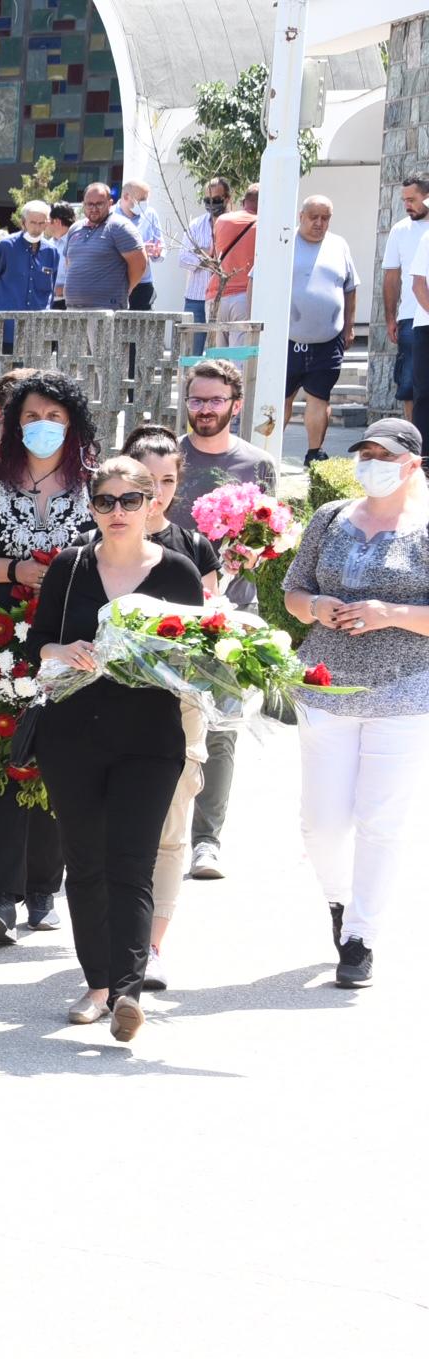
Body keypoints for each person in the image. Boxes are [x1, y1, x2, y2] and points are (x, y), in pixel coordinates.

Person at [31, 456, 207, 1041]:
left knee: (131, 862)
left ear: (152, 503)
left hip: (150, 739)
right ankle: (98, 984)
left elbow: (197, 657)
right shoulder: (70, 566)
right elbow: (39, 647)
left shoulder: (179, 571)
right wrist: (66, 649)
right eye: (103, 502)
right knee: (84, 861)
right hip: (72, 735)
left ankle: (129, 991)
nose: (116, 512)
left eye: (128, 501)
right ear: (92, 507)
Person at [0, 372, 102, 941]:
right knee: (2, 762)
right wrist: (16, 571)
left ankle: (44, 889)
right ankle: (3, 896)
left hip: (72, 644)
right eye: (31, 416)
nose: (43, 427)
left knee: (59, 761)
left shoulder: (93, 484)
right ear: (14, 423)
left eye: (55, 417)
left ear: (74, 425)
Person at [281, 418, 429, 990]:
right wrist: (318, 607)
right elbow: (293, 592)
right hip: (325, 685)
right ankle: (339, 902)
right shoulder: (330, 518)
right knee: (319, 824)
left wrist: (389, 613)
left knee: (380, 821)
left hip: (405, 689)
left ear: (412, 464)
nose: (372, 463)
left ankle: (362, 936)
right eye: (365, 452)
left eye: (385, 455)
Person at [172, 357, 278, 880]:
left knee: (221, 729)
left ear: (235, 405)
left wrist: (248, 555)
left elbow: (270, 535)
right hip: (166, 613)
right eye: (197, 399)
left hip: (232, 613)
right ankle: (159, 829)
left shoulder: (258, 464)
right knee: (161, 725)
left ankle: (207, 841)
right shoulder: (169, 459)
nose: (205, 409)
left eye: (215, 400)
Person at [122, 425, 219, 992]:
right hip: (107, 706)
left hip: (179, 701)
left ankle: (152, 946)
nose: (153, 493)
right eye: (142, 480)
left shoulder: (192, 550)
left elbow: (212, 631)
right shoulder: (93, 544)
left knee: (172, 824)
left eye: (165, 481)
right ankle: (117, 933)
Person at [283, 196, 357, 466]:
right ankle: (267, 451)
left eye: (325, 218)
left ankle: (314, 453)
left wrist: (349, 327)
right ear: (301, 215)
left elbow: (350, 288)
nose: (319, 223)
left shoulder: (339, 245)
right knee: (282, 398)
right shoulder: (284, 242)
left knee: (319, 396)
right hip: (287, 338)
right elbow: (258, 282)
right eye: (313, 216)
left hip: (328, 339)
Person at [384, 176, 429, 423]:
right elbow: (392, 276)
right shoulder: (400, 230)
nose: (407, 205)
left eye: (412, 200)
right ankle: (415, 443)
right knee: (412, 386)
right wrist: (391, 317)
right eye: (404, 201)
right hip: (412, 319)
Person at [60, 183, 146, 312]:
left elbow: (140, 264)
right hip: (73, 308)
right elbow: (69, 263)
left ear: (110, 203)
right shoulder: (74, 228)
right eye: (90, 204)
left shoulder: (120, 227)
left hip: (106, 310)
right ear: (84, 204)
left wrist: (125, 290)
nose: (94, 208)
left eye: (99, 203)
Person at [0, 200, 59, 319]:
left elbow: (51, 289)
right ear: (23, 223)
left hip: (38, 324)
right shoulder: (6, 247)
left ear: (47, 223)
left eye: (41, 223)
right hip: (6, 323)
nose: (37, 228)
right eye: (33, 223)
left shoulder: (51, 252)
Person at [176, 177, 232, 325]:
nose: (211, 203)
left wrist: (201, 251)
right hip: (197, 298)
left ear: (227, 199)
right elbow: (183, 258)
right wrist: (207, 259)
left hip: (226, 298)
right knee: (193, 348)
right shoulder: (196, 225)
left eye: (216, 199)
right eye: (207, 200)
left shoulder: (236, 224)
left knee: (220, 348)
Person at [208, 184, 259, 323]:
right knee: (238, 345)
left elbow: (213, 257)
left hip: (217, 295)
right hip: (243, 297)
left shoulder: (222, 220)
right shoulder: (263, 225)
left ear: (244, 202)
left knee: (215, 345)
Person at [114, 179, 167, 311]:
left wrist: (157, 252)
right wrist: (139, 250)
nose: (145, 203)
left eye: (147, 199)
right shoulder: (110, 215)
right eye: (142, 199)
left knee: (145, 328)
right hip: (117, 282)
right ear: (126, 197)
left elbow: (160, 244)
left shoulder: (150, 214)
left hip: (143, 284)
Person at [45, 201, 76, 307]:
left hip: (69, 305)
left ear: (57, 221)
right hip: (49, 302)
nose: (46, 224)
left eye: (48, 220)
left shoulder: (76, 244)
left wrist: (62, 289)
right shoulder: (49, 244)